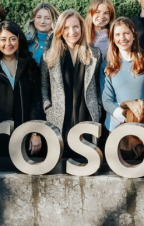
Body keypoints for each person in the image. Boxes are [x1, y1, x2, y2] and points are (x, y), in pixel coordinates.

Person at [0, 21, 43, 156]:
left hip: (25, 135)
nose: (8, 44)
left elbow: (36, 101)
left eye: (13, 39)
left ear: (19, 39)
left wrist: (35, 132)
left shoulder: (29, 64)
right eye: (3, 39)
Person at [41, 9, 101, 157]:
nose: (72, 32)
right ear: (60, 30)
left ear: (81, 27)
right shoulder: (49, 56)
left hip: (87, 116)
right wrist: (48, 107)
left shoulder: (95, 54)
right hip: (60, 118)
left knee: (88, 162)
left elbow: (100, 85)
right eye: (66, 27)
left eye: (75, 27)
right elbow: (44, 87)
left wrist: (98, 106)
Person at [101, 17, 144, 132]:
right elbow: (107, 100)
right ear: (113, 38)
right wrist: (127, 116)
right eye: (117, 35)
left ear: (134, 35)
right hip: (116, 125)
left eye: (126, 33)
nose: (122, 38)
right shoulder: (107, 65)